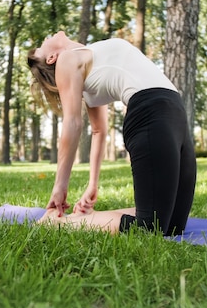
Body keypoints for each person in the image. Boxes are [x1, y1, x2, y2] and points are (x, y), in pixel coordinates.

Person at [27, 31, 196, 236]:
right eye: (42, 43)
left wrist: (92, 185)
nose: (47, 36)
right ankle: (57, 224)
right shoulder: (66, 60)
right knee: (149, 228)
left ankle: (84, 220)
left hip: (175, 113)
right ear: (52, 58)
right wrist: (60, 186)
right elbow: (72, 122)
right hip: (150, 113)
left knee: (174, 225)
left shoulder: (89, 57)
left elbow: (99, 131)